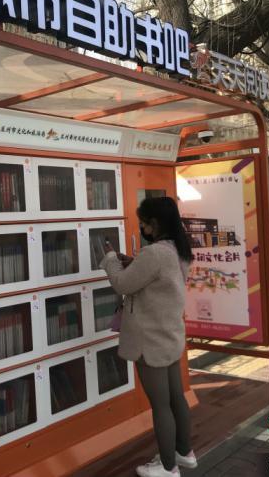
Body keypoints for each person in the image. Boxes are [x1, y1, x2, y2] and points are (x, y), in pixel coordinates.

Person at [100, 196, 196, 477]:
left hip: (148, 340)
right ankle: (184, 453)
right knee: (176, 398)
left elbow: (122, 283)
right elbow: (159, 279)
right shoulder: (178, 248)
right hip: (169, 336)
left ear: (155, 223)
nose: (141, 228)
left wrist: (110, 259)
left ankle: (167, 468)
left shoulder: (154, 254)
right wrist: (134, 262)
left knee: (161, 406)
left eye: (143, 223)